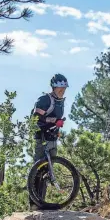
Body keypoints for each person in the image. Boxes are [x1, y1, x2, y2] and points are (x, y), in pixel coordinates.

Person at [30, 73, 69, 210]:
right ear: (53, 87)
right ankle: (34, 204)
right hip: (41, 136)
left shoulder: (60, 102)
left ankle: (42, 202)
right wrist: (53, 121)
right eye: (59, 88)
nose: (62, 90)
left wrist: (58, 125)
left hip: (52, 136)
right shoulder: (45, 99)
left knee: (48, 170)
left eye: (64, 88)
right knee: (38, 168)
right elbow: (36, 118)